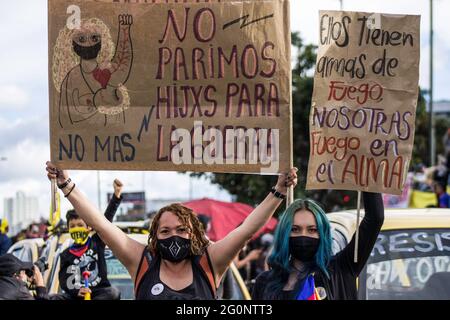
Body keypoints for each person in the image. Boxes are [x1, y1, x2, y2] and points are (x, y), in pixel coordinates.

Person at [46, 161, 298, 300]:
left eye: (181, 229)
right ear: (155, 237)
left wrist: (279, 191)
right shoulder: (141, 262)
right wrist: (66, 185)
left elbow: (246, 230)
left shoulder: (210, 262)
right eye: (165, 232)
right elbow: (101, 224)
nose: (173, 236)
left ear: (195, 234)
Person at [252, 192, 384, 300]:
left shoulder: (340, 269)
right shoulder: (264, 282)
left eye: (312, 230)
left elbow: (375, 218)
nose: (303, 236)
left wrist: (369, 167)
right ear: (284, 234)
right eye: (295, 229)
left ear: (323, 234)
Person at [52, 179, 124, 300]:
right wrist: (77, 291)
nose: (76, 229)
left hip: (99, 294)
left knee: (113, 293)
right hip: (77, 296)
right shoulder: (65, 255)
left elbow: (105, 222)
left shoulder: (97, 242)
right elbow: (64, 281)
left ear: (89, 227)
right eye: (72, 226)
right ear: (68, 229)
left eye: (80, 225)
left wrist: (116, 196)